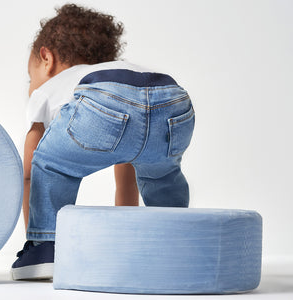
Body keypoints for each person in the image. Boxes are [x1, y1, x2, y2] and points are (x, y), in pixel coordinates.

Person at [11, 4, 195, 280]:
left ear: (46, 58)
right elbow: (127, 180)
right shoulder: (119, 69)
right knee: (161, 175)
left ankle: (45, 248)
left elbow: (29, 173)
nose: (30, 86)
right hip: (173, 101)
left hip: (102, 102)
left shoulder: (52, 87)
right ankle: (174, 241)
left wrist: (35, 237)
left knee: (50, 164)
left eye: (30, 76)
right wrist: (124, 234)